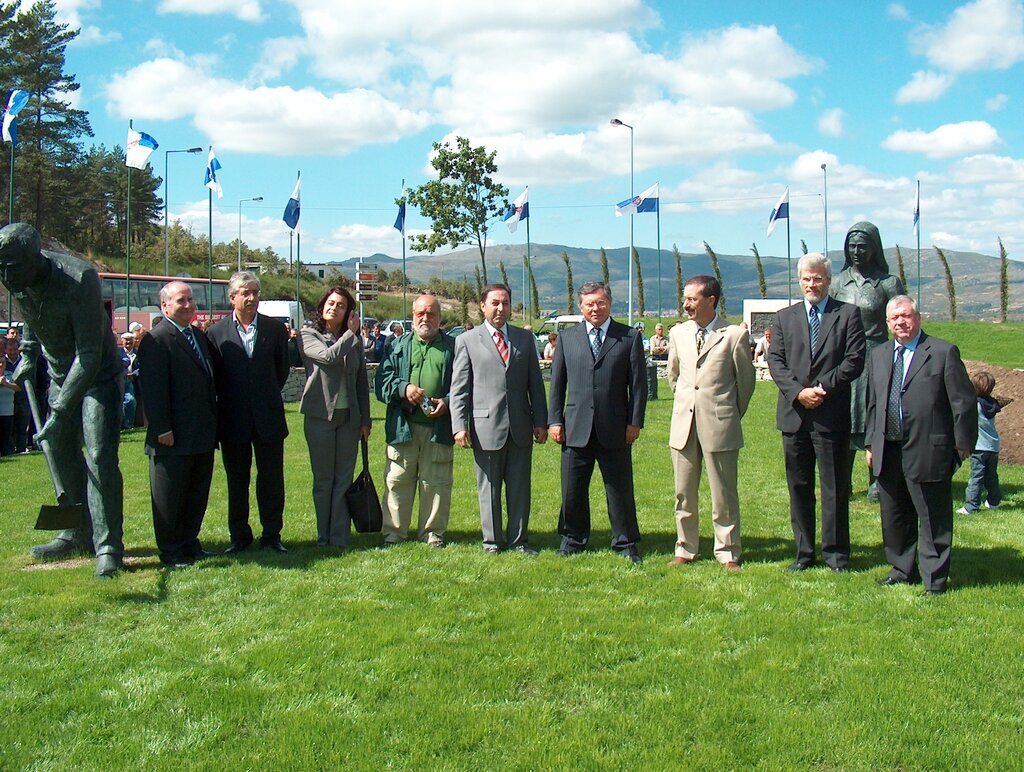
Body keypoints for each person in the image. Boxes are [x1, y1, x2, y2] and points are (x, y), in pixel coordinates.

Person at [0, 223, 125, 577]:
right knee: (59, 451)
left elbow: (88, 355)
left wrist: (60, 408)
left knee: (99, 456)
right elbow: (30, 314)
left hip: (98, 376)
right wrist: (27, 353)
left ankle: (108, 547)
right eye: (2, 268)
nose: (6, 276)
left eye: (11, 267)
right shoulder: (15, 275)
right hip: (59, 375)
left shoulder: (79, 278)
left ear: (34, 258)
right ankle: (75, 532)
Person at [866, 296, 976, 595]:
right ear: (887, 324)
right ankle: (903, 570)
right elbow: (873, 402)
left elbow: (963, 402)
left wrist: (963, 444)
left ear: (918, 317)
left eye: (906, 315)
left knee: (932, 516)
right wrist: (870, 443)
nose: (901, 321)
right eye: (894, 318)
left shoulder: (942, 352)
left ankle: (935, 580)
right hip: (888, 448)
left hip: (929, 448)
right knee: (894, 515)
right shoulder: (879, 354)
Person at [767, 253, 865, 573]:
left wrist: (821, 388)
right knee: (799, 486)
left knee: (835, 488)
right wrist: (799, 392)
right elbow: (776, 362)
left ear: (828, 280)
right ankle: (804, 553)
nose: (813, 284)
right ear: (799, 280)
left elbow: (854, 360)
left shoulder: (848, 314)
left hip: (830, 413)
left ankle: (836, 555)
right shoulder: (783, 318)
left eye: (818, 278)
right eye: (807, 278)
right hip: (795, 417)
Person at [548, 280, 647, 564]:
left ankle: (625, 541)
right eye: (589, 304)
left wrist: (635, 422)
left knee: (619, 489)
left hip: (615, 427)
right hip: (575, 426)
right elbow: (557, 384)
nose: (595, 308)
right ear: (580, 307)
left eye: (601, 303)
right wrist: (555, 420)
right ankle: (572, 539)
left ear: (610, 304)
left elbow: (638, 386)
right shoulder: (568, 338)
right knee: (572, 489)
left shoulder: (628, 337)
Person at [450, 284, 548, 554]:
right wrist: (459, 426)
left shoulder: (524, 340)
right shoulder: (467, 341)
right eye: (495, 303)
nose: (500, 308)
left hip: (520, 426)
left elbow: (535, 385)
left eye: (505, 303)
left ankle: (519, 541)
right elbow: (459, 389)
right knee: (488, 489)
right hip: (485, 427)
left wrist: (541, 420)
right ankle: (492, 541)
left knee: (519, 489)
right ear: (482, 306)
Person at [666, 276, 755, 570]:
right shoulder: (678, 333)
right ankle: (686, 547)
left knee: (724, 493)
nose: (685, 304)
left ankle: (727, 550)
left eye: (692, 299)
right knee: (683, 493)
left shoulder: (733, 335)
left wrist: (725, 413)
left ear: (711, 301)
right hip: (684, 425)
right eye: (685, 298)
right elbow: (673, 376)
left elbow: (745, 384)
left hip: (720, 426)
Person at [207, 272, 291, 555]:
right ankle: (240, 536)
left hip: (268, 418)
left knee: (271, 479)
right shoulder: (216, 333)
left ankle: (272, 534)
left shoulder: (275, 330)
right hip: (233, 420)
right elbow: (216, 377)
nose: (252, 298)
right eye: (246, 293)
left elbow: (281, 371)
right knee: (237, 481)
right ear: (232, 298)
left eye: (255, 292)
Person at [137, 281, 218, 568]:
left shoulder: (197, 336)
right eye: (181, 301)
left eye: (190, 300)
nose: (188, 305)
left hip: (201, 434)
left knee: (196, 494)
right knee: (169, 497)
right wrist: (162, 429)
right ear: (165, 306)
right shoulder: (157, 339)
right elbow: (153, 389)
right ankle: (170, 551)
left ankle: (189, 543)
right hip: (171, 437)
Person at [830, 222, 905, 501]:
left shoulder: (888, 283)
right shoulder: (837, 283)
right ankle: (842, 480)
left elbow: (900, 318)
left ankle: (878, 479)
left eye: (863, 246)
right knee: (846, 415)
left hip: (878, 355)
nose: (857, 251)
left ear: (875, 247)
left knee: (878, 413)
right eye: (852, 246)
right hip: (845, 356)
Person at [374, 294, 456, 547]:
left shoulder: (454, 347)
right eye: (420, 313)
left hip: (439, 429)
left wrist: (449, 402)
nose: (426, 318)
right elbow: (381, 382)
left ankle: (432, 535)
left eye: (431, 313)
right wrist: (404, 388)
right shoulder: (397, 345)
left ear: (440, 318)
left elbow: (468, 385)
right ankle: (394, 534)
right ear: (412, 316)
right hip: (403, 427)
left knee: (437, 483)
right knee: (397, 481)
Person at [299, 286, 371, 548]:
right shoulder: (309, 334)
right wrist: (352, 334)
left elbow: (362, 380)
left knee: (343, 478)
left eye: (341, 305)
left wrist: (366, 420)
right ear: (322, 306)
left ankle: (339, 537)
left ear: (348, 311)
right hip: (320, 417)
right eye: (330, 303)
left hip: (349, 418)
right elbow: (328, 357)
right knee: (324, 480)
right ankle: (323, 536)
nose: (334, 308)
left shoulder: (353, 340)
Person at [957, 371, 1004, 515]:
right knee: (991, 476)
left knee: (976, 477)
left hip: (979, 447)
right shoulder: (992, 404)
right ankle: (994, 502)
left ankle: (971, 506)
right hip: (993, 446)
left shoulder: (975, 405)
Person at [119, 332, 139, 430]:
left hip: (133, 381)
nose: (128, 342)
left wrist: (134, 374)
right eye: (126, 340)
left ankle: (128, 425)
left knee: (130, 400)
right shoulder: (117, 352)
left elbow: (143, 366)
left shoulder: (139, 353)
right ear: (121, 341)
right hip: (118, 381)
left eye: (130, 340)